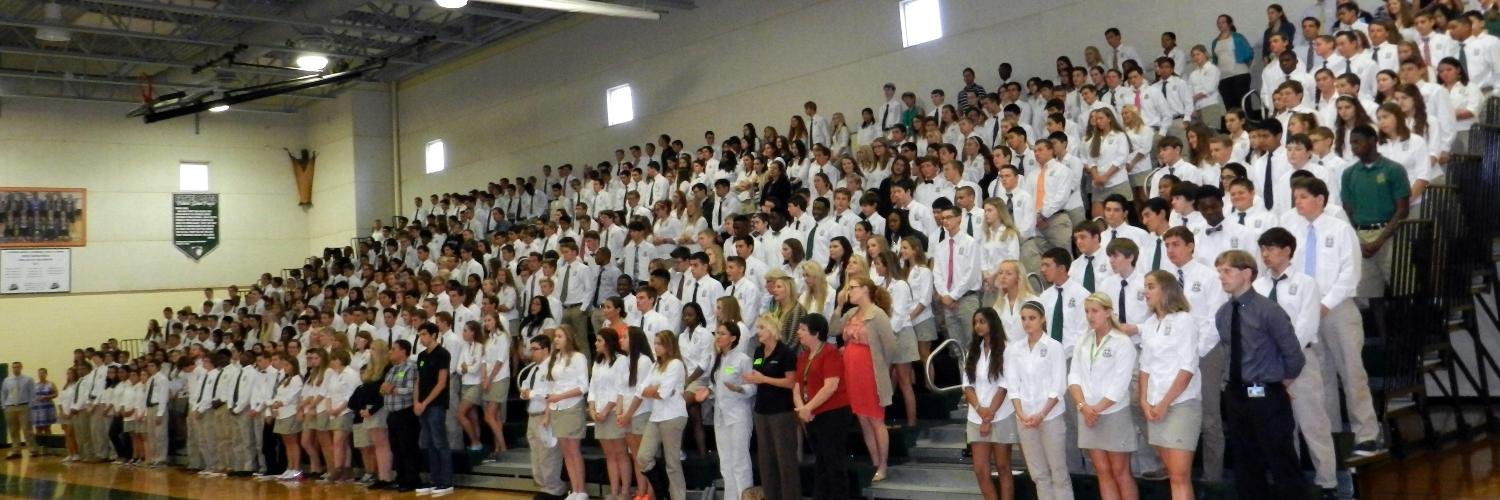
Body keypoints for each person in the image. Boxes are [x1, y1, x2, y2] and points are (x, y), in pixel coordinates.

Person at [1284, 176, 1383, 456]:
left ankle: (1367, 434)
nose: (1297, 202)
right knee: (1321, 376)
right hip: (1306, 312)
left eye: (1303, 197)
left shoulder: (1339, 229)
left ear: (1320, 199)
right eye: (1295, 197)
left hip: (1338, 309)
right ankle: (1333, 435)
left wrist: (1325, 304)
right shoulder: (1293, 230)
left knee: (1352, 372)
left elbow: (1350, 273)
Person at [1214, 249, 1308, 497]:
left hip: (1265, 394)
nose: (1221, 277)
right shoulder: (1223, 313)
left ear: (1246, 273)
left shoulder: (1268, 310)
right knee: (1245, 464)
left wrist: (1279, 383)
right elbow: (1228, 353)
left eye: (1227, 271)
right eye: (1219, 272)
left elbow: (1294, 355)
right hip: (1236, 395)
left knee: (1281, 460)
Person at [1256, 227, 1339, 495]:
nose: (1265, 255)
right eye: (1263, 250)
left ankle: (1327, 480)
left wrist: (1286, 361)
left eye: (1271, 248)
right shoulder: (1258, 286)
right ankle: (1288, 480)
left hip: (1300, 360)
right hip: (1267, 366)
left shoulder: (1305, 283)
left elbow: (1305, 326)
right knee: (1279, 427)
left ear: (1287, 250)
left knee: (1312, 422)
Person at [1139, 270, 1204, 500]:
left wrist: (1165, 403)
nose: (1145, 291)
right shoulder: (1148, 324)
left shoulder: (1184, 321)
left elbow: (1187, 368)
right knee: (1171, 475)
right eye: (1145, 286)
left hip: (1180, 404)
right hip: (1155, 405)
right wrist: (1144, 401)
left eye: (1150, 286)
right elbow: (1145, 367)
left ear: (1166, 290)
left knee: (1179, 475)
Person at [1069, 294, 1139, 500]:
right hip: (1087, 412)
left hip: (1112, 413)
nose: (1090, 316)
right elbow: (1073, 376)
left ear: (1108, 312)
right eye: (1087, 311)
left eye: (1095, 311)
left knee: (1120, 472)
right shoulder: (1083, 340)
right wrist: (1083, 406)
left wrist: (1095, 409)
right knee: (1102, 471)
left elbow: (1120, 384)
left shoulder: (1122, 342)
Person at [834, 275, 900, 482]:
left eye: (852, 288)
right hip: (852, 371)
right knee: (863, 420)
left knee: (875, 419)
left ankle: (883, 464)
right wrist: (839, 306)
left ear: (865, 290)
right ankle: (874, 461)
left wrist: (879, 366)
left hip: (870, 372)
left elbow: (890, 347)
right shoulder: (852, 312)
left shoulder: (877, 314)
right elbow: (833, 329)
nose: (849, 291)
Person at [1009, 301, 1073, 500]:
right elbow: (1013, 386)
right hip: (1025, 417)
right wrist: (1021, 414)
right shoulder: (1014, 349)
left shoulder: (1054, 347)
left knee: (1059, 472)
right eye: (1024, 318)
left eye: (1032, 318)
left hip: (1050, 416)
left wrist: (1042, 413)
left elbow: (1058, 386)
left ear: (1043, 319)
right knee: (1039, 475)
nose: (1027, 323)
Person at [793, 314, 851, 500]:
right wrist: (802, 408)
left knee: (833, 463)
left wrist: (808, 408)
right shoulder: (803, 356)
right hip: (812, 415)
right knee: (821, 463)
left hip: (832, 414)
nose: (798, 332)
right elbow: (797, 386)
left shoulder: (830, 352)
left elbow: (831, 386)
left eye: (802, 329)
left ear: (816, 333)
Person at [962, 308, 1017, 500]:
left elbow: (1004, 387)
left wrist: (989, 414)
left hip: (1001, 414)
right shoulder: (973, 351)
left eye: (982, 321)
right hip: (976, 415)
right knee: (980, 469)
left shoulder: (1007, 349)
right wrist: (980, 410)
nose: (978, 325)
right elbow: (967, 385)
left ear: (992, 323)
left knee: (1003, 466)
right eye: (975, 322)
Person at [698, 322, 756, 500]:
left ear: (733, 338)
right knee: (726, 462)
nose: (718, 336)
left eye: (723, 334)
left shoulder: (743, 359)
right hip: (720, 416)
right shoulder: (718, 359)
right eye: (717, 333)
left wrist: (740, 389)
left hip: (738, 415)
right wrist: (708, 390)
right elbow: (717, 385)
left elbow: (753, 387)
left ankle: (744, 496)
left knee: (740, 461)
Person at [745, 314, 800, 500]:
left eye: (761, 328)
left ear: (772, 330)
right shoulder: (759, 352)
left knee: (785, 462)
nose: (757, 331)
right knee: (766, 461)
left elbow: (791, 382)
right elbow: (756, 372)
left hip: (782, 412)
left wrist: (764, 379)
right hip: (762, 411)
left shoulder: (786, 353)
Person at [634, 331, 688, 500]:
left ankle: (678, 497)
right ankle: (662, 493)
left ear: (669, 346)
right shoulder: (655, 365)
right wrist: (655, 390)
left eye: (660, 344)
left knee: (672, 462)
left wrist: (655, 390)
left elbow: (663, 393)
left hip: (673, 416)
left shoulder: (676, 364)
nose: (656, 347)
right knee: (643, 457)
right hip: (657, 415)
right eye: (655, 343)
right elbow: (640, 389)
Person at [546, 326, 591, 500]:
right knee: (565, 451)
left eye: (559, 336)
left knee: (574, 450)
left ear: (568, 338)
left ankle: (581, 490)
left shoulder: (578, 357)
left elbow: (583, 386)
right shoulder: (555, 357)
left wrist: (560, 396)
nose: (556, 339)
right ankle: (574, 489)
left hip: (571, 407)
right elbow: (552, 385)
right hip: (557, 408)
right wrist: (551, 404)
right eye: (555, 336)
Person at [521, 334, 567, 499]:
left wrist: (532, 393)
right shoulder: (533, 368)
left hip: (545, 414)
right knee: (536, 453)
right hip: (532, 415)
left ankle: (554, 488)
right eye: (531, 349)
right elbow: (525, 385)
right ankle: (543, 486)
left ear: (546, 349)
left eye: (535, 349)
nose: (532, 352)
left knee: (548, 454)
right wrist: (525, 392)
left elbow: (551, 392)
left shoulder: (552, 367)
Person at [413, 323, 455, 495]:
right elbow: (418, 381)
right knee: (428, 443)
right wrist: (416, 401)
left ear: (434, 335)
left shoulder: (442, 354)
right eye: (420, 334)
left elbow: (441, 382)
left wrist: (425, 402)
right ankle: (434, 479)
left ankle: (446, 481)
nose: (421, 337)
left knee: (439, 442)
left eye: (424, 334)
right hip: (422, 404)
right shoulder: (421, 356)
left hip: (436, 404)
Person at [934, 205, 983, 348]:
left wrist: (953, 296)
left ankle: (974, 371)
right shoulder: (941, 246)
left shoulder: (970, 243)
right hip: (947, 301)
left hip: (967, 298)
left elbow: (971, 274)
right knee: (956, 346)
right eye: (943, 218)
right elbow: (937, 274)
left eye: (949, 217)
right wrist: (945, 295)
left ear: (959, 219)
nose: (945, 221)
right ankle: (962, 371)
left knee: (973, 343)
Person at [589, 330, 629, 500]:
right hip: (599, 413)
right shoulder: (598, 363)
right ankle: (614, 491)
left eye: (599, 340)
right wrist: (592, 409)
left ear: (608, 342)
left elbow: (620, 389)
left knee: (620, 453)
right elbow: (592, 388)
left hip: (613, 412)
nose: (596, 343)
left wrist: (606, 410)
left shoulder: (621, 361)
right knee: (609, 455)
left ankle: (625, 491)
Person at [270, 353, 306, 481]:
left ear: (293, 365)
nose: (284, 367)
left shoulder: (296, 379)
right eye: (283, 365)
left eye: (287, 365)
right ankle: (289, 467)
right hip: (281, 414)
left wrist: (281, 403)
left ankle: (296, 469)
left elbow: (292, 395)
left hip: (290, 413)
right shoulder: (285, 379)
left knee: (293, 442)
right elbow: (278, 394)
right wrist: (273, 405)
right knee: (286, 443)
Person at [4, 362, 37, 459]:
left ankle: (32, 449)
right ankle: (16, 451)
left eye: (17, 367)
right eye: (14, 367)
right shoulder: (7, 380)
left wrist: (30, 405)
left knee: (27, 429)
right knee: (13, 430)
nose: (15, 369)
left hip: (24, 406)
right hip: (10, 407)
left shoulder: (28, 379)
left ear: (21, 367)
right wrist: (4, 406)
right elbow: (4, 393)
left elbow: (32, 393)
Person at [31, 367, 57, 441]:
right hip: (37, 409)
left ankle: (49, 445)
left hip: (47, 408)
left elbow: (56, 394)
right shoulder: (34, 385)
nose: (41, 375)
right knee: (38, 428)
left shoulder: (50, 384)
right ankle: (40, 446)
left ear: (46, 374)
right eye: (39, 373)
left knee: (47, 427)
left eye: (42, 373)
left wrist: (46, 397)